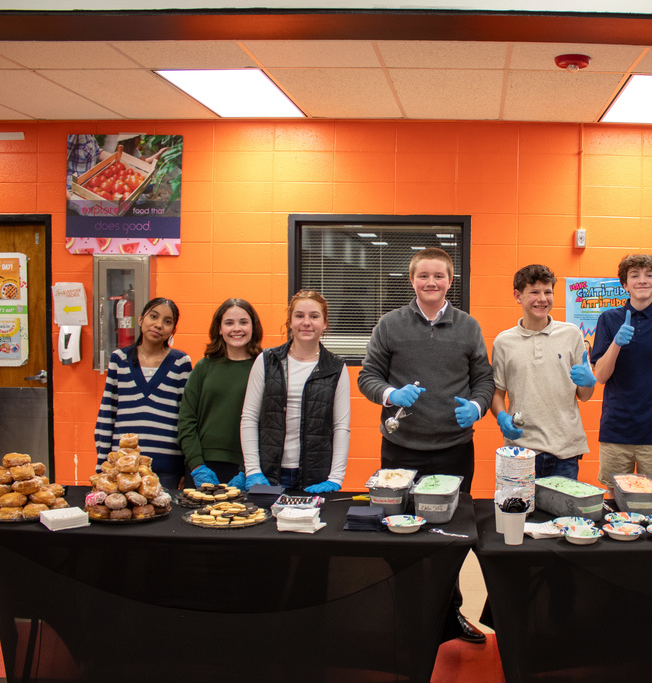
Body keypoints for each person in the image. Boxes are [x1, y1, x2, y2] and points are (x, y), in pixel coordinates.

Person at [357, 247, 494, 644]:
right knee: (399, 534)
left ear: (450, 281)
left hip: (453, 449)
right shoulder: (389, 324)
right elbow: (368, 376)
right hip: (401, 450)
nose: (431, 282)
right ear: (412, 280)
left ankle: (450, 615)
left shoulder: (468, 327)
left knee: (447, 537)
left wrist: (477, 405)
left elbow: (483, 379)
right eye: (423, 276)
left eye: (439, 276)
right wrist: (388, 395)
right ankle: (404, 613)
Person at [590, 254, 652, 492]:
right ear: (625, 284)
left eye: (649, 275)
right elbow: (600, 376)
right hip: (616, 428)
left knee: (651, 499)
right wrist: (616, 344)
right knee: (613, 498)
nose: (642, 280)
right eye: (634, 275)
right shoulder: (609, 319)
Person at [240, 290, 350, 494]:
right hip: (269, 474)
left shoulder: (336, 367)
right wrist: (253, 470)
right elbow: (249, 418)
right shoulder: (266, 361)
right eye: (299, 316)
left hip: (314, 477)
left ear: (325, 323)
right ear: (290, 322)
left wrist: (336, 477)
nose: (306, 322)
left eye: (314, 316)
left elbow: (341, 427)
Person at [491, 264, 594, 479]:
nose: (542, 299)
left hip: (565, 451)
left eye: (548, 292)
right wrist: (501, 417)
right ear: (518, 296)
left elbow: (584, 396)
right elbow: (497, 393)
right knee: (520, 512)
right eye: (534, 292)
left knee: (561, 513)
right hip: (520, 449)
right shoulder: (503, 342)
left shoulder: (571, 334)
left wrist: (589, 381)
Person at [94, 297, 192, 491]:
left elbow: (186, 419)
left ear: (173, 330)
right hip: (122, 468)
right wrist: (102, 466)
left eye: (167, 321)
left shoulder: (181, 362)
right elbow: (107, 413)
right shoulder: (119, 359)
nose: (158, 325)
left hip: (167, 470)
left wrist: (185, 469)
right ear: (140, 319)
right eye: (153, 317)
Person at [178, 298, 263, 490]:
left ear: (253, 326)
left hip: (247, 468)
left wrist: (247, 470)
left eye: (243, 322)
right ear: (219, 329)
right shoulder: (203, 367)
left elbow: (269, 426)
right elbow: (186, 420)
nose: (236, 328)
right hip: (203, 465)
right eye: (229, 323)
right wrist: (197, 466)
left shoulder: (264, 368)